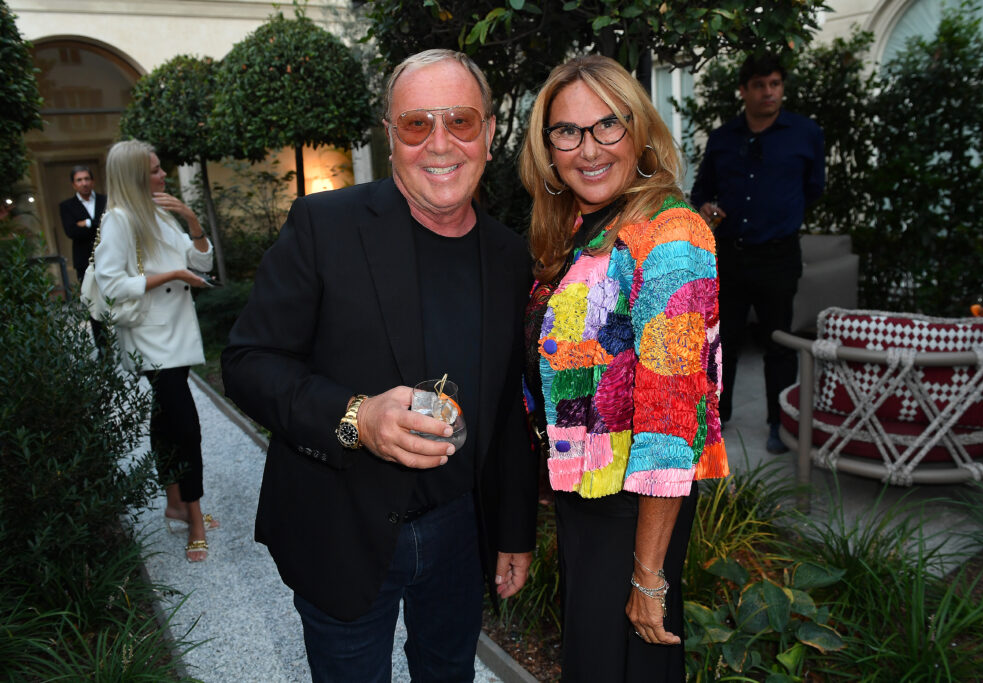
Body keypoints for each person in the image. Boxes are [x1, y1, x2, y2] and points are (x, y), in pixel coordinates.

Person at [220, 49, 537, 682]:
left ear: (490, 132)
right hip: (341, 525)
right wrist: (356, 418)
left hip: (460, 530)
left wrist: (513, 530)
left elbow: (509, 409)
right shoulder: (324, 226)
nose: (439, 143)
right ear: (390, 136)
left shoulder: (509, 255)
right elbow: (248, 362)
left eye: (460, 121)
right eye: (417, 124)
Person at [519, 55, 730, 682]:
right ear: (548, 146)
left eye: (607, 125)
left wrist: (648, 575)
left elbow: (671, 420)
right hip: (588, 500)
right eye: (567, 131)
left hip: (634, 510)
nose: (588, 149)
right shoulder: (582, 228)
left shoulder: (671, 234)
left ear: (639, 131)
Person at [689, 53, 825, 454]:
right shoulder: (723, 138)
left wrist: (780, 215)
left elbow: (814, 188)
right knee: (723, 341)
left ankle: (779, 423)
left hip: (778, 256)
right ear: (744, 90)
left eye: (775, 84)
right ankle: (718, 414)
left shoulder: (805, 133)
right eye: (760, 85)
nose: (769, 92)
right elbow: (702, 190)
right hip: (730, 255)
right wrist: (705, 206)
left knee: (778, 342)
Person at [93, 139, 219, 563]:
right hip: (151, 339)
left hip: (176, 333)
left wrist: (191, 220)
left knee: (165, 420)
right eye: (154, 170)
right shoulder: (119, 220)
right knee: (186, 427)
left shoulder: (161, 213)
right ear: (133, 176)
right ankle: (195, 518)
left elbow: (202, 265)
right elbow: (112, 285)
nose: (163, 175)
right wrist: (172, 274)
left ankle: (175, 504)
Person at [60, 165, 108, 348]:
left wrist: (87, 223)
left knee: (118, 301)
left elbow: (110, 226)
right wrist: (97, 224)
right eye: (79, 180)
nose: (84, 183)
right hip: (85, 263)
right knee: (94, 306)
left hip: (110, 257)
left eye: (87, 178)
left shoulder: (106, 200)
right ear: (74, 184)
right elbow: (71, 232)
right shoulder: (66, 206)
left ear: (93, 181)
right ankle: (103, 351)